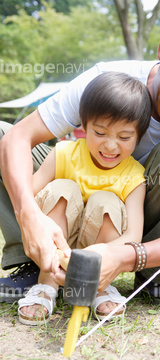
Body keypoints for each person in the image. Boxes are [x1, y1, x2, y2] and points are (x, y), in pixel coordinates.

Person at [0, 0, 160, 310]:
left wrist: (127, 256)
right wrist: (29, 215)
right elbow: (20, 136)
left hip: (131, 221)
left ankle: (156, 271)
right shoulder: (106, 83)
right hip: (65, 196)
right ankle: (37, 259)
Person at [16, 71, 152, 325]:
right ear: (83, 126)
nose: (110, 146)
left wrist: (103, 256)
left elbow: (133, 236)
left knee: (107, 201)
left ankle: (101, 287)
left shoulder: (135, 176)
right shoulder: (64, 153)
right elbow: (28, 199)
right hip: (57, 246)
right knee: (63, 189)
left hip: (101, 254)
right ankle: (46, 285)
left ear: (138, 136)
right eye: (100, 133)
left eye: (124, 137)